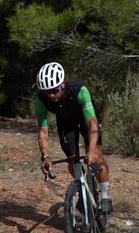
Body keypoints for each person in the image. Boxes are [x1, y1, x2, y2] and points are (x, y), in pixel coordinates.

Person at [35, 62, 112, 214]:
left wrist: (91, 150)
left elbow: (92, 124)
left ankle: (105, 195)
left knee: (96, 157)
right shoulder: (41, 100)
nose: (51, 95)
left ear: (62, 85)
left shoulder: (80, 91)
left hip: (86, 119)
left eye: (54, 90)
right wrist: (45, 156)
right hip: (66, 122)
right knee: (72, 160)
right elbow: (43, 131)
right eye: (46, 92)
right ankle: (82, 188)